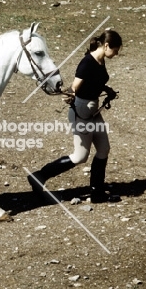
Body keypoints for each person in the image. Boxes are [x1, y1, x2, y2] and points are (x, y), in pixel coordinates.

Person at [28, 29, 123, 203]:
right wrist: (69, 95)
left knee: (103, 149)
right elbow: (75, 86)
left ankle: (97, 193)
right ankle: (38, 176)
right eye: (115, 50)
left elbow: (94, 80)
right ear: (107, 45)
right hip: (82, 111)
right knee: (80, 156)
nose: (116, 54)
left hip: (93, 110)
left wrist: (106, 89)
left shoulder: (100, 61)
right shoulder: (87, 62)